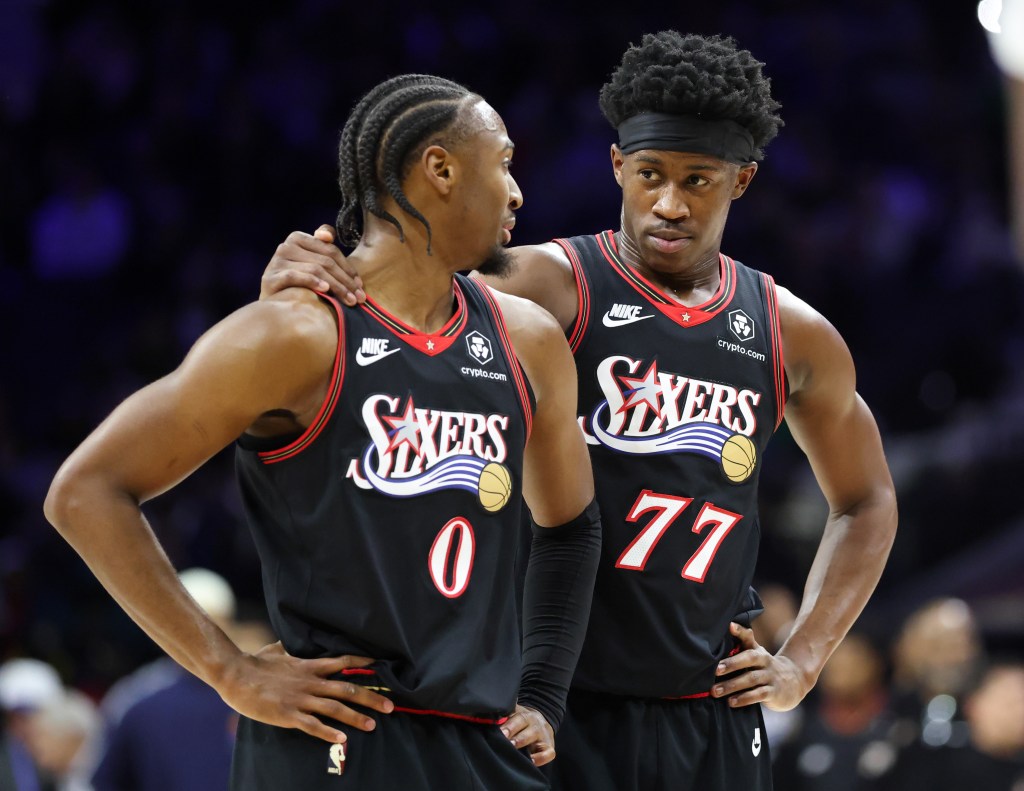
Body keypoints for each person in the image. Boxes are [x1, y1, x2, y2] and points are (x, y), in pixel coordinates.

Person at [262, 31, 899, 790]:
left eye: (698, 180)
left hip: (708, 707)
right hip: (550, 702)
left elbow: (866, 500)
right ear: (617, 167)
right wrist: (305, 264)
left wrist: (801, 658)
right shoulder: (542, 285)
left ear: (742, 182)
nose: (669, 203)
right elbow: (403, 258)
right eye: (651, 174)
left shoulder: (788, 330)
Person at [44, 72, 601, 790]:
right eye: (504, 162)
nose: (517, 192)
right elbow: (85, 491)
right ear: (439, 169)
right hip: (336, 745)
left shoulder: (527, 340)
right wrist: (229, 670)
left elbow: (571, 527)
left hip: (484, 748)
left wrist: (545, 695)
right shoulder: (293, 335)